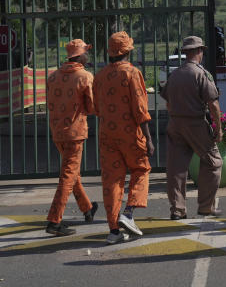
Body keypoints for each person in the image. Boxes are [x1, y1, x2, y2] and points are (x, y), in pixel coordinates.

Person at [93, 31, 154, 245]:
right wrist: (148, 138)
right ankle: (128, 213)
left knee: (111, 180)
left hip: (106, 134)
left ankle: (114, 230)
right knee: (141, 169)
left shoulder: (99, 76)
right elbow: (140, 108)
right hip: (130, 132)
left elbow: (95, 107)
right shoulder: (132, 73)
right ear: (128, 50)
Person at [161, 35, 223, 219]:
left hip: (175, 123)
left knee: (176, 169)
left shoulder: (175, 74)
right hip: (195, 122)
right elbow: (213, 104)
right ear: (199, 51)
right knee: (213, 162)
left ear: (185, 52)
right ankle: (205, 206)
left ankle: (177, 210)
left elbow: (168, 103)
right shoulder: (201, 73)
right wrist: (218, 128)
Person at [44, 39, 98, 236]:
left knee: (72, 173)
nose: (87, 55)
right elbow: (92, 107)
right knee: (68, 175)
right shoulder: (85, 76)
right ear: (79, 56)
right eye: (86, 52)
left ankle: (87, 208)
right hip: (75, 133)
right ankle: (54, 220)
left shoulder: (53, 77)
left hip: (57, 132)